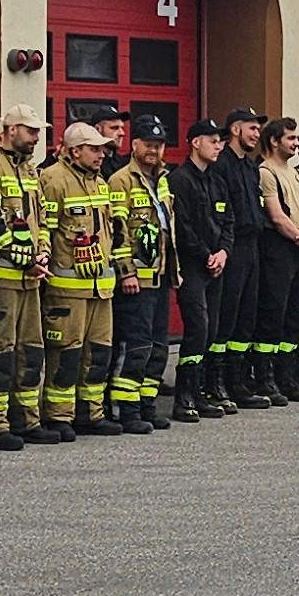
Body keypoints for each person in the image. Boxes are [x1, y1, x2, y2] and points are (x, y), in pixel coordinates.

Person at [37, 119, 122, 436]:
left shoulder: (100, 183)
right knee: (66, 354)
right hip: (66, 290)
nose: (102, 155)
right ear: (74, 151)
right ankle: (59, 416)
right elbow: (45, 230)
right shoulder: (53, 179)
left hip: (101, 289)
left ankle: (90, 413)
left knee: (98, 354)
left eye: (102, 149)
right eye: (94, 149)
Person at [0, 105, 48, 445]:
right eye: (31, 131)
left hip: (31, 278)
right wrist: (23, 258)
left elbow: (41, 219)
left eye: (38, 132)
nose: (36, 137)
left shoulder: (30, 170)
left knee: (30, 350)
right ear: (11, 130)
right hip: (5, 276)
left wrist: (42, 251)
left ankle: (26, 420)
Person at [108, 115, 175, 434]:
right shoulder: (121, 180)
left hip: (161, 276)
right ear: (134, 144)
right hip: (137, 281)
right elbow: (117, 231)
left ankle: (148, 404)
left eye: (159, 145)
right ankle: (127, 409)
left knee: (158, 346)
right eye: (148, 144)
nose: (154, 150)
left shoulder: (163, 179)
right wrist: (126, 273)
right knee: (136, 346)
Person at [168, 113, 234, 419]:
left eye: (220, 142)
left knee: (212, 329)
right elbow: (181, 226)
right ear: (196, 143)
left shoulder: (217, 181)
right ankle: (184, 396)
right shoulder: (180, 180)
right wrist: (206, 254)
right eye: (213, 141)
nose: (218, 146)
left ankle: (203, 392)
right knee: (197, 327)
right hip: (193, 266)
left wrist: (223, 252)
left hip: (216, 265)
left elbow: (228, 221)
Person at [206, 110, 272, 407]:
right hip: (231, 248)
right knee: (226, 316)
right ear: (235, 129)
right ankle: (214, 382)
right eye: (252, 128)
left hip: (253, 247)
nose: (257, 134)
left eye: (258, 130)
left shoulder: (250, 166)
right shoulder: (221, 165)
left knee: (247, 316)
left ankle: (238, 380)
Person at [254, 112, 299, 401]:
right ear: (273, 141)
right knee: (274, 312)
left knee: (297, 313)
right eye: (290, 138)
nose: (296, 143)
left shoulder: (298, 174)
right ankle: (266, 378)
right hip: (279, 247)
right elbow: (277, 216)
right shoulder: (265, 172)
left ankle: (289, 376)